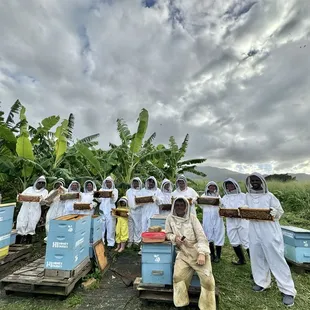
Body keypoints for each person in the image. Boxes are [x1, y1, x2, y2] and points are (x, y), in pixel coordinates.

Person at [245, 173, 296, 306]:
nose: (254, 182)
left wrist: (275, 212)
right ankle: (262, 282)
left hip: (269, 231)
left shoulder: (270, 196)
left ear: (262, 182)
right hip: (253, 230)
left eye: (257, 180)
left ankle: (288, 290)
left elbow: (280, 212)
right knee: (257, 256)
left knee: (276, 258)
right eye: (252, 180)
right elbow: (243, 210)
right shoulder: (247, 196)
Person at [165, 197, 216, 310]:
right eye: (177, 205)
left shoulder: (192, 218)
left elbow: (201, 237)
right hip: (183, 252)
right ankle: (181, 304)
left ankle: (206, 307)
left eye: (182, 205)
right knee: (177, 276)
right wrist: (175, 238)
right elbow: (167, 233)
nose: (179, 207)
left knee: (208, 281)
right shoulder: (170, 218)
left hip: (197, 251)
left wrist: (202, 253)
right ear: (174, 206)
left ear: (186, 207)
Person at [221, 178, 250, 265]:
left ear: (235, 185)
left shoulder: (243, 196)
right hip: (230, 221)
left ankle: (255, 265)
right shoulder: (225, 197)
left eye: (231, 184)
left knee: (246, 241)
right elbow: (221, 208)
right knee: (233, 241)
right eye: (227, 185)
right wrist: (225, 212)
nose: (229, 186)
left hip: (242, 221)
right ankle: (241, 260)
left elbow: (248, 206)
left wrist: (242, 210)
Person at [16, 175, 49, 244]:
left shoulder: (45, 191)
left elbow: (44, 202)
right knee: (21, 223)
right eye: (40, 182)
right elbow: (20, 198)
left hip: (35, 210)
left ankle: (28, 240)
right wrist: (19, 196)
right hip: (25, 209)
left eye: (43, 183)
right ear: (36, 182)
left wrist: (42, 200)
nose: (41, 184)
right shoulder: (29, 189)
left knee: (32, 224)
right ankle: (19, 239)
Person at [200, 181, 225, 263]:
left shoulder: (218, 196)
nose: (212, 188)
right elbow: (200, 204)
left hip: (217, 218)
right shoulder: (203, 196)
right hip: (207, 218)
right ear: (208, 187)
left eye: (213, 186)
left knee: (218, 235)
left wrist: (219, 201)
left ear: (215, 188)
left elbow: (222, 205)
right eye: (210, 186)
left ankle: (218, 256)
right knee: (208, 235)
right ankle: (212, 255)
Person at [99, 176, 118, 248]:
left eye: (109, 182)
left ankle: (110, 242)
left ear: (112, 183)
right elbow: (99, 200)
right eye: (107, 182)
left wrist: (112, 196)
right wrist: (96, 196)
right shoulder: (101, 189)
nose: (108, 184)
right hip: (102, 210)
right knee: (101, 226)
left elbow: (114, 200)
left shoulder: (115, 190)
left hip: (110, 210)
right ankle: (101, 241)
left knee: (111, 226)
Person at [126, 177, 143, 248]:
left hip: (138, 211)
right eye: (134, 182)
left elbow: (143, 201)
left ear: (139, 183)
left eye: (137, 182)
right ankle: (130, 240)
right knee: (130, 226)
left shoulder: (142, 191)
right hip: (130, 210)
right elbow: (126, 200)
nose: (135, 183)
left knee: (138, 226)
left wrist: (138, 205)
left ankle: (137, 241)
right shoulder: (128, 191)